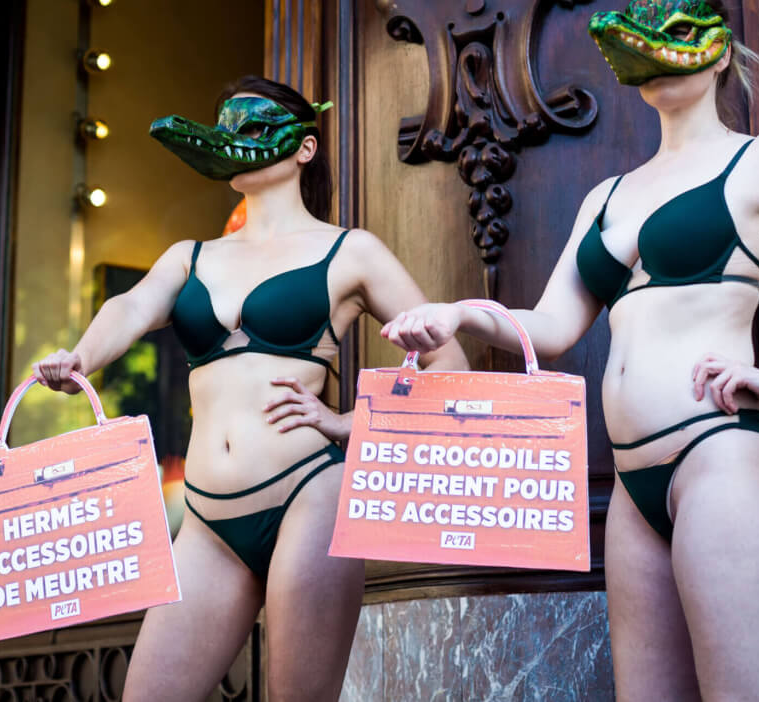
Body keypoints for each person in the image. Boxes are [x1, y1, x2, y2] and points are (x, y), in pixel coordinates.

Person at [381, 0, 759, 701]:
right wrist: (456, 314)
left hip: (719, 457)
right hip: (634, 486)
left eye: (677, 37)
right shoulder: (607, 194)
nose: (661, 59)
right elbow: (553, 327)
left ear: (720, 53)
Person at [33, 76, 468, 702]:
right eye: (226, 126)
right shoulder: (191, 256)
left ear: (305, 148)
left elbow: (449, 364)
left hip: (309, 498)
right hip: (207, 520)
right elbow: (129, 308)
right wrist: (79, 358)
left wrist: (352, 424)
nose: (235, 139)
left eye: (255, 126)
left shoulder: (351, 252)